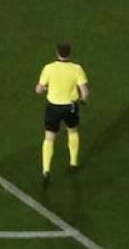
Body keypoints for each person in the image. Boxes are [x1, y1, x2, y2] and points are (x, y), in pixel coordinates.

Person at [35, 42, 89, 187]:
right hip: (70, 107)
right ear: (70, 53)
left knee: (49, 137)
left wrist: (44, 88)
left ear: (57, 53)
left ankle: (46, 170)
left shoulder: (49, 68)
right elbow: (85, 92)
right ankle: (73, 163)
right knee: (72, 132)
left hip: (53, 108)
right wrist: (83, 100)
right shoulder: (77, 69)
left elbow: (38, 89)